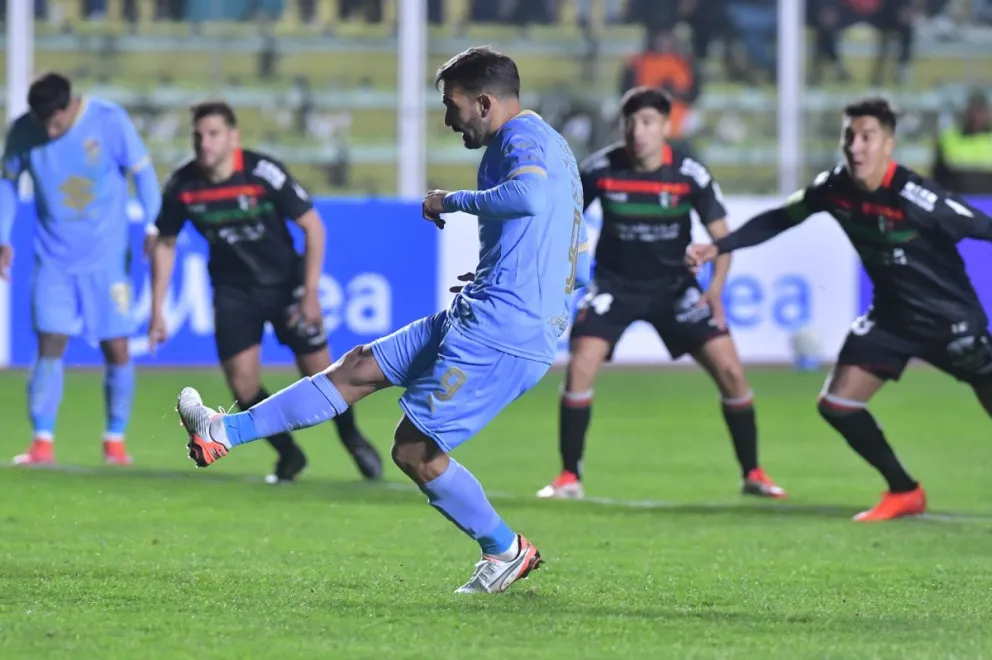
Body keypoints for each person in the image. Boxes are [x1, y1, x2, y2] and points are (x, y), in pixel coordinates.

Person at [174, 46, 590, 593]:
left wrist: (450, 201)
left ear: (485, 103)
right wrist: (509, 275)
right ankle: (221, 432)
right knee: (358, 367)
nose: (449, 119)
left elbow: (530, 197)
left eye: (452, 105)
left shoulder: (522, 140)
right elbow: (573, 254)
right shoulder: (554, 149)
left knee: (414, 451)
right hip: (486, 308)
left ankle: (504, 549)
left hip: (502, 332)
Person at [686, 97, 992, 522]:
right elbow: (780, 218)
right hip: (891, 320)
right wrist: (719, 246)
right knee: (838, 404)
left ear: (888, 144)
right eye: (849, 136)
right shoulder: (834, 188)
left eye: (867, 137)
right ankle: (905, 491)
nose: (856, 147)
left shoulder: (917, 196)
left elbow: (983, 226)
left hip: (950, 320)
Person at [538, 86, 786, 501]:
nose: (638, 131)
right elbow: (561, 218)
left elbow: (722, 239)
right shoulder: (600, 169)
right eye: (631, 122)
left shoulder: (689, 174)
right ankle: (568, 477)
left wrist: (716, 289)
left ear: (666, 127)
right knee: (580, 364)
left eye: (648, 122)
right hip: (615, 286)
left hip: (675, 288)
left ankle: (753, 473)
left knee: (731, 372)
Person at [149, 101, 382, 484]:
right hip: (233, 291)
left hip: (286, 284)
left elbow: (313, 226)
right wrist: (157, 308)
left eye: (213, 134)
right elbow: (165, 242)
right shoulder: (183, 186)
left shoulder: (261, 172)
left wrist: (310, 294)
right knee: (242, 382)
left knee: (322, 372)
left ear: (233, 137)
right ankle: (289, 454)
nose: (205, 143)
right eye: (198, 135)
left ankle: (351, 436)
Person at [0, 72, 162, 466]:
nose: (49, 131)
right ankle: (41, 442)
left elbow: (143, 171)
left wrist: (153, 225)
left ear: (69, 106)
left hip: (107, 258)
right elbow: (7, 182)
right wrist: (2, 235)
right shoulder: (24, 130)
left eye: (55, 123)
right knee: (50, 341)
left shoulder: (108, 120)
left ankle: (115, 441)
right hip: (53, 258)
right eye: (42, 123)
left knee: (116, 345)